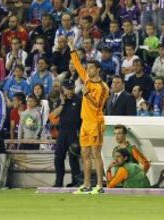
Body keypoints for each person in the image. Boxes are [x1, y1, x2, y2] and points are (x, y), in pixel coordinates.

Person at [69, 38, 110, 194]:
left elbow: (98, 106)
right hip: (85, 122)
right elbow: (78, 65)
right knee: (84, 153)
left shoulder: (102, 87)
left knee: (96, 154)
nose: (88, 70)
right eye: (88, 68)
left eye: (91, 68)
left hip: (96, 123)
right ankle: (87, 185)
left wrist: (88, 95)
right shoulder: (86, 79)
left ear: (97, 70)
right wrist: (72, 48)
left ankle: (99, 186)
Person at [51, 80, 82, 187]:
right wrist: (63, 104)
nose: (70, 91)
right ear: (63, 89)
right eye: (68, 89)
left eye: (72, 88)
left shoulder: (79, 100)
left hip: (75, 132)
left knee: (73, 157)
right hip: (62, 132)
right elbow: (53, 116)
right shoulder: (60, 100)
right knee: (58, 157)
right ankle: (58, 181)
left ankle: (76, 182)